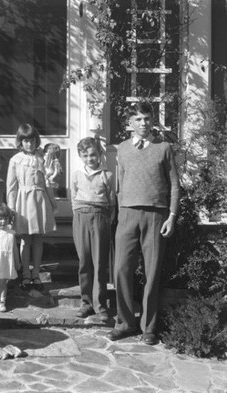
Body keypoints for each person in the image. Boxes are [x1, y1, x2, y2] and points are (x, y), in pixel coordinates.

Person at [107, 102, 180, 345]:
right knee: (121, 269)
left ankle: (148, 327)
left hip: (156, 216)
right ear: (130, 123)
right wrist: (118, 213)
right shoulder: (123, 148)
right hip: (127, 214)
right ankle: (125, 323)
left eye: (147, 119)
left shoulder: (164, 148)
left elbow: (174, 185)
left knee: (152, 272)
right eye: (138, 119)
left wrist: (171, 216)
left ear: (152, 120)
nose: (143, 123)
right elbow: (120, 182)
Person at [71, 137, 116, 323]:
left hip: (100, 216)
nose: (90, 158)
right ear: (81, 156)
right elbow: (73, 196)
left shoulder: (107, 175)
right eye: (86, 155)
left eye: (93, 155)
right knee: (84, 261)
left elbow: (112, 200)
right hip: (81, 216)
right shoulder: (76, 174)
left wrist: (108, 220)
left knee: (99, 262)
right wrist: (78, 214)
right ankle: (86, 302)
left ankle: (100, 305)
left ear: (99, 154)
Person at [7, 123, 56, 291]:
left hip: (40, 199)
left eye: (33, 140)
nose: (30, 144)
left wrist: (51, 201)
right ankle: (25, 274)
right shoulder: (15, 160)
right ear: (20, 142)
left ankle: (36, 273)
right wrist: (11, 208)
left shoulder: (42, 158)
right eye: (26, 141)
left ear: (37, 141)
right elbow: (11, 186)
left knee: (38, 239)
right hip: (23, 200)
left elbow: (48, 181)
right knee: (25, 239)